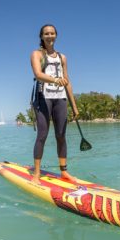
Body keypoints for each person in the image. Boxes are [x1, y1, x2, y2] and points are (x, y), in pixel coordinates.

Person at [30, 24, 79, 184]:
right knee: (42, 135)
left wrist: (74, 106)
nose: (49, 36)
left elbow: (67, 82)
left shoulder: (62, 57)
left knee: (61, 136)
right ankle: (36, 174)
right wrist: (55, 80)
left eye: (52, 33)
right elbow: (38, 74)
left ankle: (64, 172)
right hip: (43, 98)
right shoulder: (36, 54)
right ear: (42, 37)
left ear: (56, 35)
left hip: (61, 98)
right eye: (46, 34)